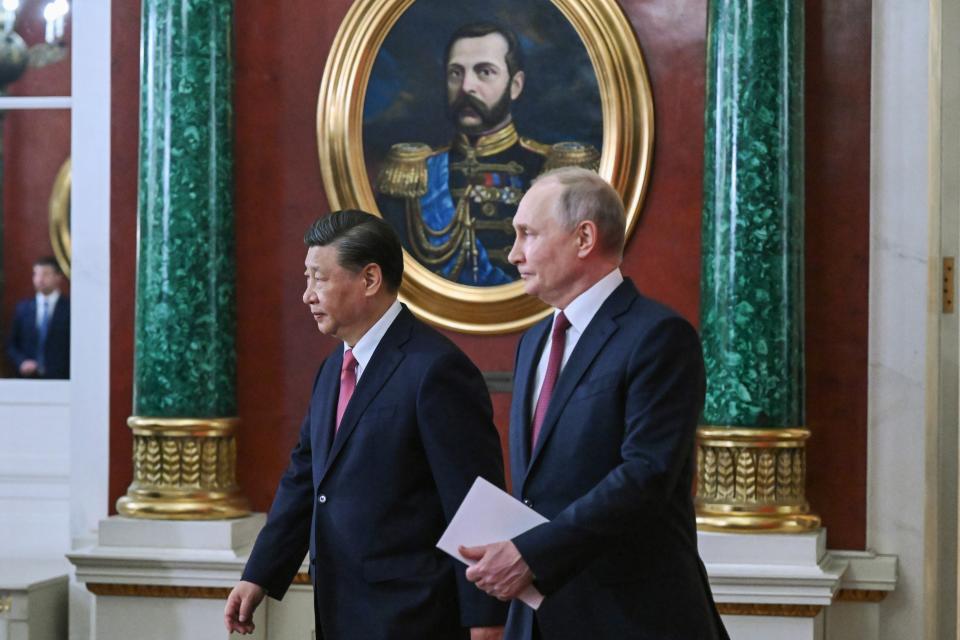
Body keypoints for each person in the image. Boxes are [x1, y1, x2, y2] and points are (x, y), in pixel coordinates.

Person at [460, 168, 729, 639]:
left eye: (528, 234)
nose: (514, 253)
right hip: (538, 618)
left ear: (584, 237)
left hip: (630, 617)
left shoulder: (657, 336)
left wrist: (533, 555)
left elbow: (646, 476)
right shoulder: (533, 341)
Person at [224, 210, 508, 639]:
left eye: (319, 278)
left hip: (414, 618)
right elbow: (306, 480)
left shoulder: (436, 369)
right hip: (338, 611)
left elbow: (473, 504)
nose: (307, 295)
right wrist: (259, 574)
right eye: (306, 278)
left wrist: (486, 621)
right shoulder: (331, 369)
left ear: (370, 279)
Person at [376, 22, 599, 286]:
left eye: (484, 72)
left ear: (515, 85)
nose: (467, 86)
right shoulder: (413, 174)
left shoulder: (555, 171)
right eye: (455, 73)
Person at [6, 256, 70, 379]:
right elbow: (11, 345)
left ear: (58, 277)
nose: (40, 279)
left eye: (45, 274)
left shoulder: (69, 309)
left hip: (61, 381)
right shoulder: (23, 309)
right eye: (36, 274)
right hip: (28, 380)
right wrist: (22, 362)